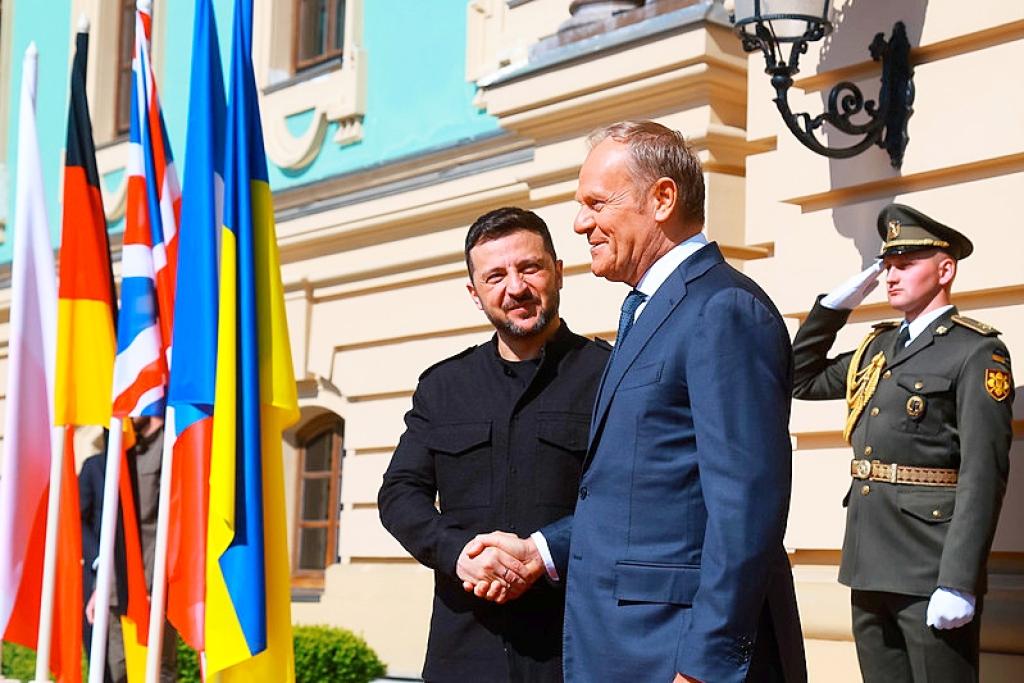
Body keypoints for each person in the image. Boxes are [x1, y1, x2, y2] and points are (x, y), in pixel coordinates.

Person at [467, 121, 807, 683]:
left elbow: (746, 509)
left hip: (676, 657)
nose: (580, 224)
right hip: (626, 649)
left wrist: (706, 667)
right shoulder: (651, 311)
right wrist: (541, 552)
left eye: (596, 203)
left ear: (662, 199)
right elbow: (640, 499)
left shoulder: (723, 309)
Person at [377, 207, 611, 682]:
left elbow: (629, 496)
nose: (516, 287)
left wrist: (545, 553)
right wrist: (459, 552)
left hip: (576, 653)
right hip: (464, 654)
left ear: (558, 272)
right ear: (475, 293)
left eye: (530, 268)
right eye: (496, 276)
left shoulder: (611, 375)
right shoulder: (443, 387)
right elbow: (399, 494)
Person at [791, 203, 1013, 682]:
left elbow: (983, 472)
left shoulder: (976, 351)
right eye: (887, 266)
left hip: (929, 567)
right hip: (868, 559)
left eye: (906, 264)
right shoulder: (877, 348)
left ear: (945, 270)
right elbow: (798, 377)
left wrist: (959, 580)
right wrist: (834, 307)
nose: (891, 276)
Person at [80, 416, 177, 682]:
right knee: (118, 670)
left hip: (151, 587)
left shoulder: (169, 447)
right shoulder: (118, 455)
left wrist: (153, 584)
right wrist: (99, 586)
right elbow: (111, 529)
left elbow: (167, 528)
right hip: (114, 588)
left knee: (157, 670)